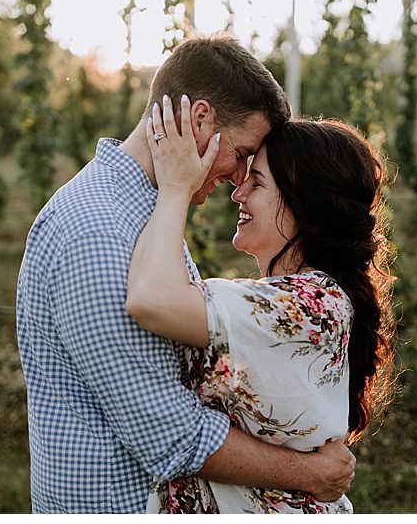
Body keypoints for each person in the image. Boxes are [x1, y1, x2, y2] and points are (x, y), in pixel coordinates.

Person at [15, 33, 354, 513]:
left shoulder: (143, 214)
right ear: (200, 120)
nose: (239, 178)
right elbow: (170, 434)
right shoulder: (97, 232)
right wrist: (313, 473)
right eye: (242, 153)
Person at [126, 99, 397, 513]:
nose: (237, 192)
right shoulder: (295, 299)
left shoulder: (309, 304)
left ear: (301, 204)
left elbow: (151, 299)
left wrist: (176, 188)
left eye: (256, 182)